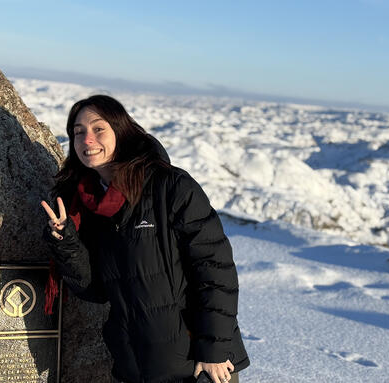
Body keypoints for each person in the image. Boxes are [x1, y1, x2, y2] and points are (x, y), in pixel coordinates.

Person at [41, 95, 249, 383]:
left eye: (98, 129)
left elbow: (215, 270)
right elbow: (96, 290)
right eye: (78, 132)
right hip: (135, 366)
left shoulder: (170, 186)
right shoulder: (89, 206)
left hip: (196, 365)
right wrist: (65, 242)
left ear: (121, 131)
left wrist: (214, 348)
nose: (87, 138)